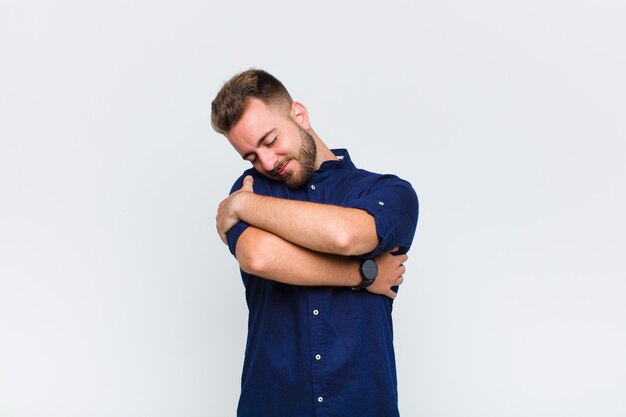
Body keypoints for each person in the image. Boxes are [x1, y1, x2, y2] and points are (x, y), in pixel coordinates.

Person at [211, 69, 419, 417]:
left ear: (299, 115)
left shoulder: (388, 192)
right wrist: (364, 274)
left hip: (363, 405)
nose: (267, 162)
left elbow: (347, 235)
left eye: (269, 140)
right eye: (250, 157)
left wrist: (244, 207)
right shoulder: (252, 186)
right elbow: (259, 256)